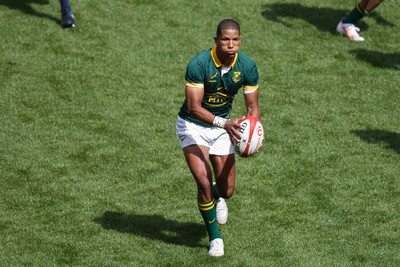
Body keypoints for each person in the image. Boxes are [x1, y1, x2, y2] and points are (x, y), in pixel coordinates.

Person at [175, 19, 261, 257]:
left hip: (225, 129)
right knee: (202, 180)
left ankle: (217, 194)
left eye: (235, 40)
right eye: (225, 39)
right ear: (216, 40)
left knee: (227, 190)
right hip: (194, 127)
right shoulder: (199, 64)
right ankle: (215, 238)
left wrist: (254, 131)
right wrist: (224, 123)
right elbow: (193, 107)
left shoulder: (248, 66)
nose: (230, 45)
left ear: (240, 40)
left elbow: (253, 108)